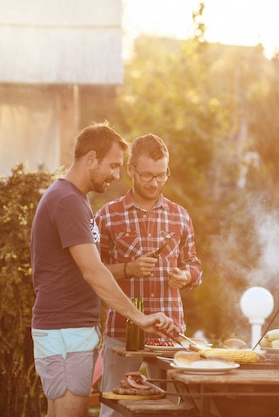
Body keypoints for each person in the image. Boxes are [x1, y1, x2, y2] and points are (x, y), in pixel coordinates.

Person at [30, 123, 179, 417]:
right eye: (112, 166)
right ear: (91, 158)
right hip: (66, 332)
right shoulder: (68, 201)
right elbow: (93, 272)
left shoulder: (72, 199)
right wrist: (139, 317)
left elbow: (88, 269)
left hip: (67, 330)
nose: (115, 174)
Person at [95, 133, 203, 417]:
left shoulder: (180, 216)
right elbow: (92, 271)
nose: (154, 183)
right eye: (147, 176)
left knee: (170, 410)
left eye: (161, 175)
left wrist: (187, 276)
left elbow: (195, 264)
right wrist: (128, 269)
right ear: (130, 170)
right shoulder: (107, 216)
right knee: (115, 409)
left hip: (169, 335)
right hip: (122, 330)